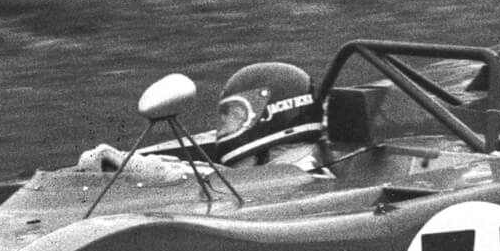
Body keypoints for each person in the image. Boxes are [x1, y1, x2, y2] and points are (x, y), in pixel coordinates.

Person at [77, 62, 326, 175]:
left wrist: (145, 168)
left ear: (271, 115)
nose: (225, 129)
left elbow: (222, 182)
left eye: (235, 118)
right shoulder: (288, 167)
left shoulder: (304, 173)